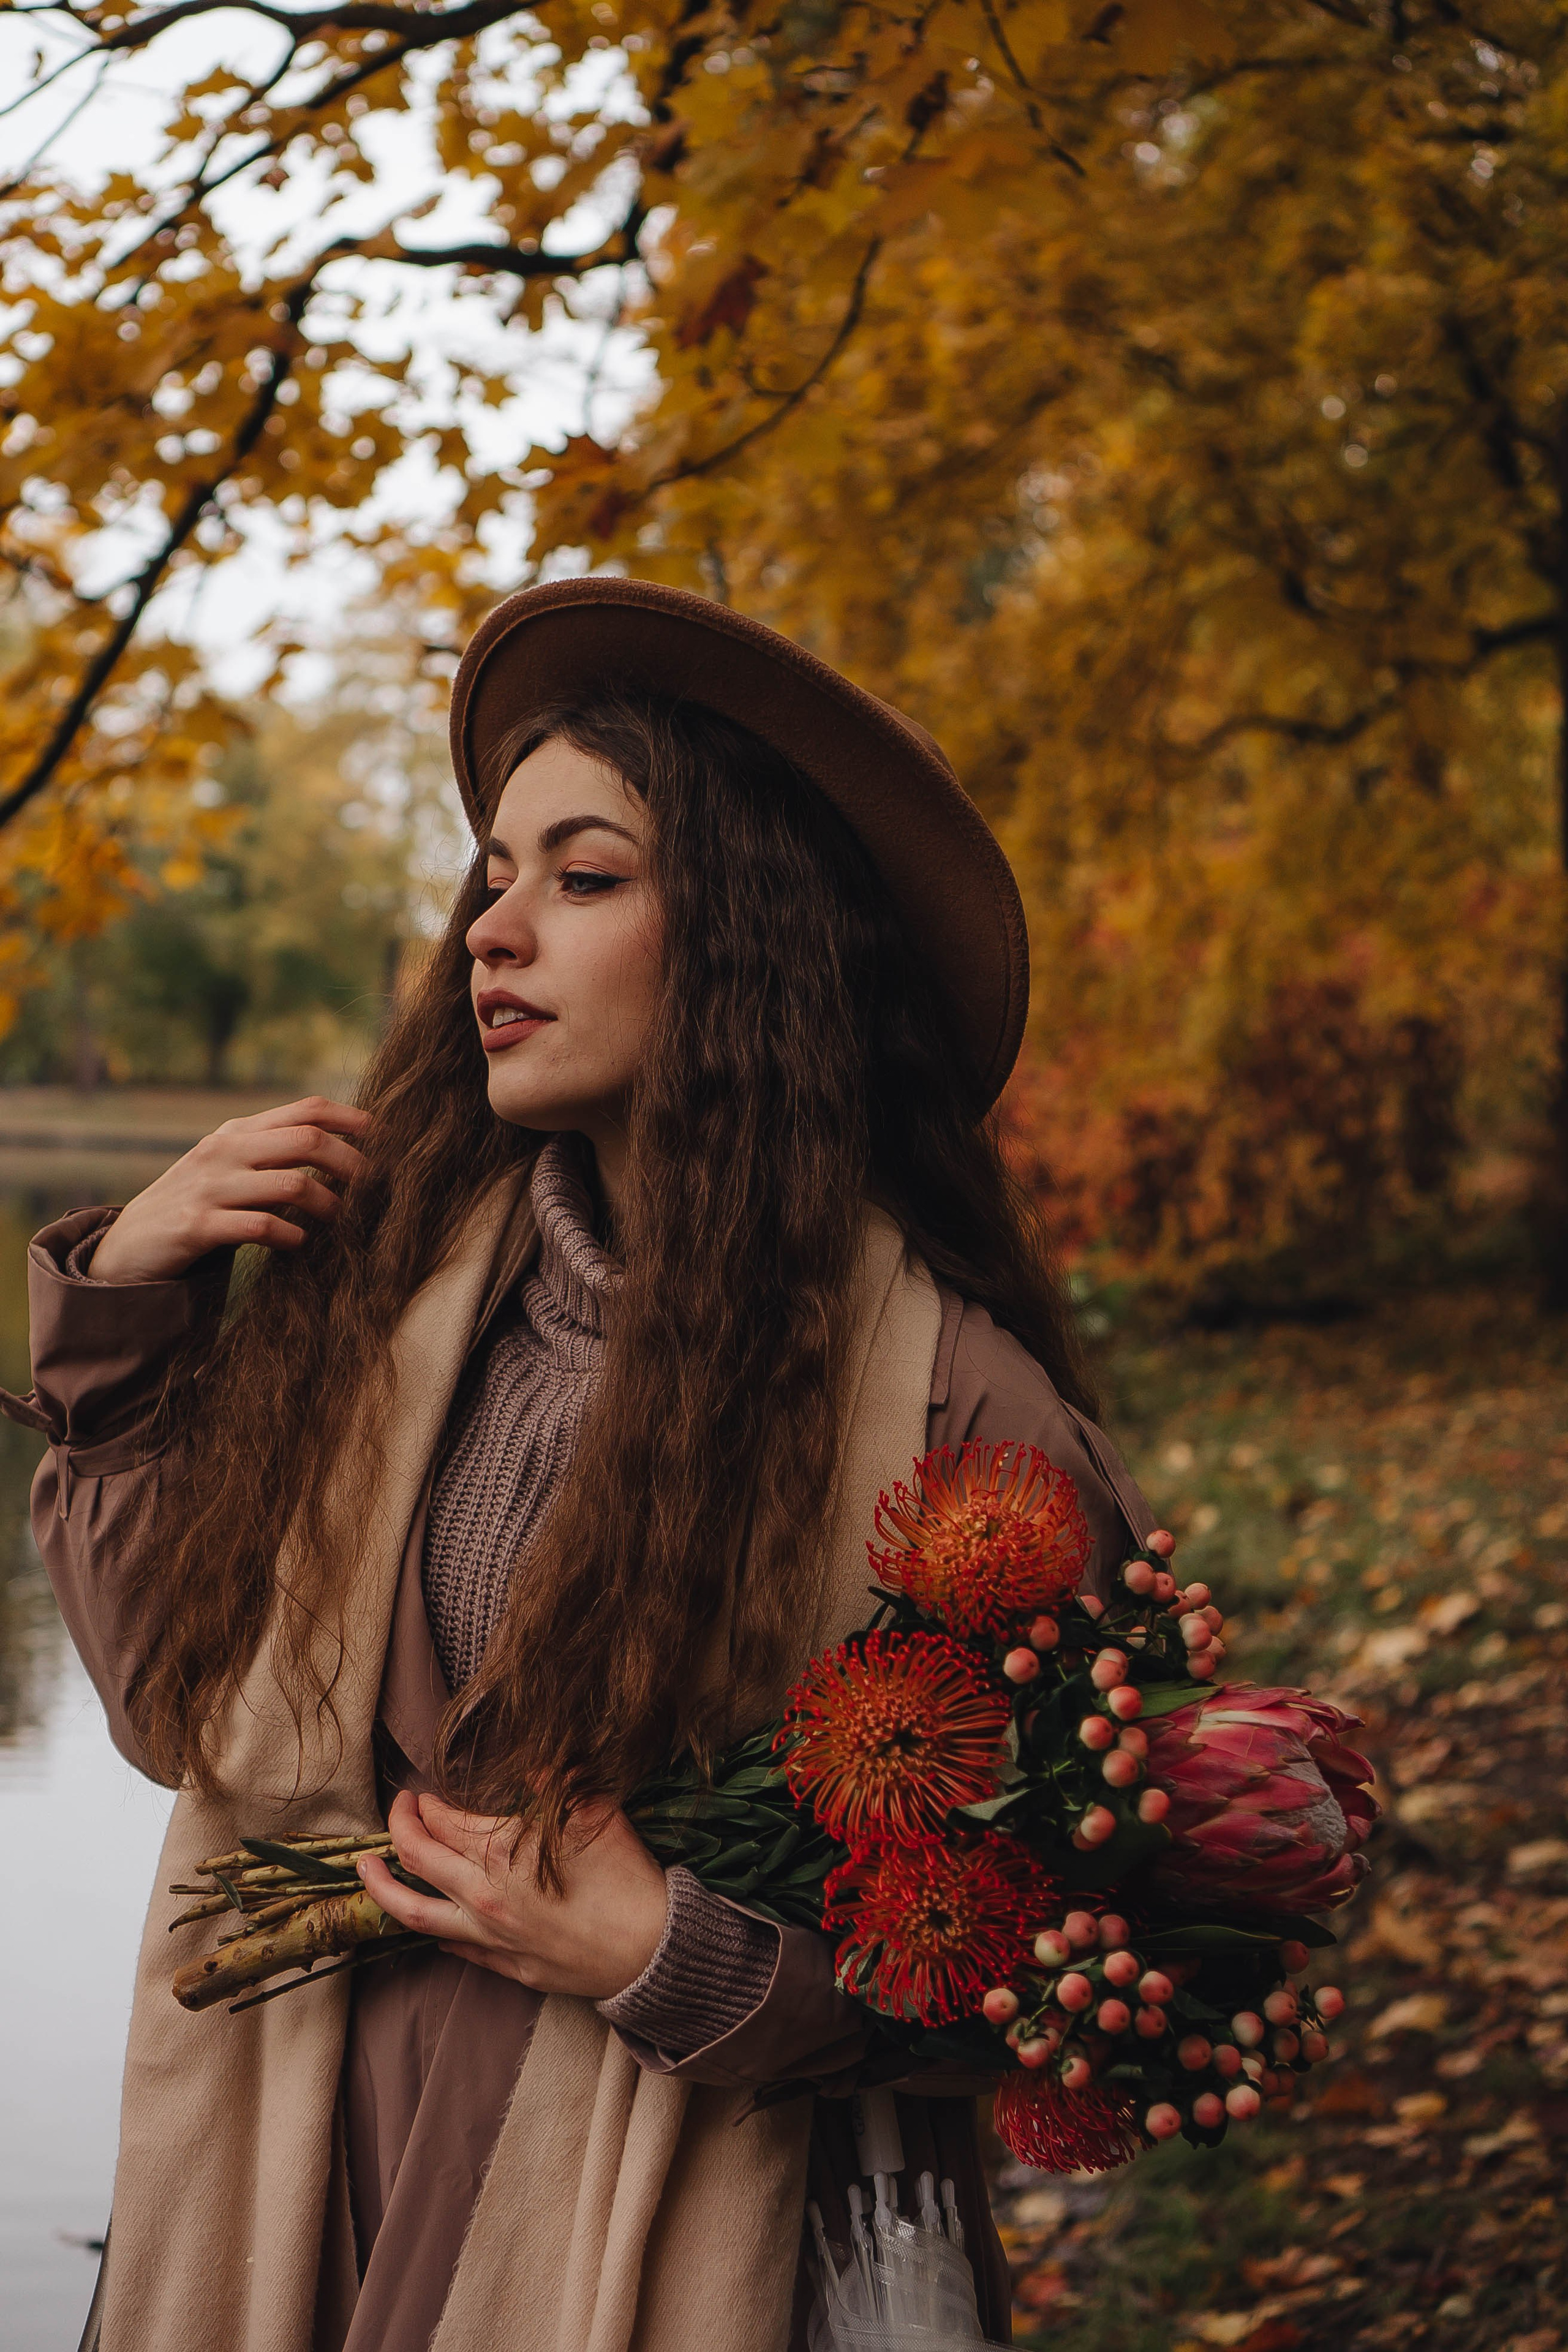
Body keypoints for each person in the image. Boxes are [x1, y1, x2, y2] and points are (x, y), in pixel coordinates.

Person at [8, 579, 1155, 2352]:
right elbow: (179, 1703)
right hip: (296, 2186)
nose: (493, 929)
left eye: (586, 877)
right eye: (492, 876)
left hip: (673, 2240)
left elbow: (1089, 1964)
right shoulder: (378, 1295)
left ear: (758, 943)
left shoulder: (955, 1410)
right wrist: (128, 1319)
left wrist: (676, 1959)